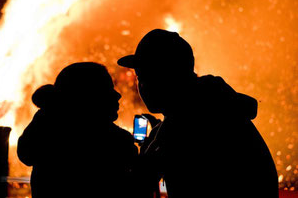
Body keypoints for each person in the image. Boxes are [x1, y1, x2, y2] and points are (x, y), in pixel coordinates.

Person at [118, 29, 278, 198]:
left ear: (171, 74)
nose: (142, 86)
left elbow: (138, 185)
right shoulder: (216, 105)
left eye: (148, 75)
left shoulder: (186, 123)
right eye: (139, 77)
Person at [17, 62, 138, 197]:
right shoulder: (116, 143)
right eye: (108, 89)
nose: (117, 95)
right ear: (88, 97)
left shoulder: (44, 132)